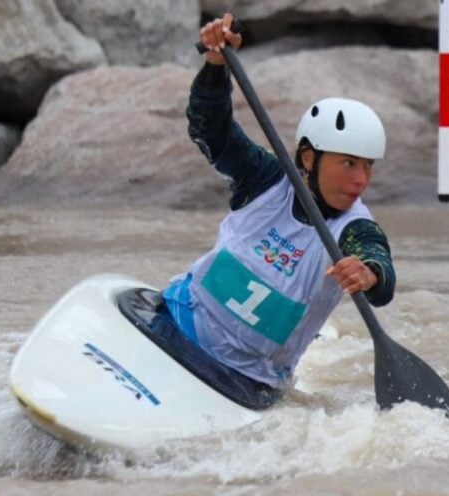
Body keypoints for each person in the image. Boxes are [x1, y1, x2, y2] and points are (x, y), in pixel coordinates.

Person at [157, 13, 396, 408]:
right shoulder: (265, 179)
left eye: (368, 166)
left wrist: (369, 273)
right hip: (178, 322)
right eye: (349, 163)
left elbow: (378, 265)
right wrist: (216, 68)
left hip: (247, 381)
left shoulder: (355, 229)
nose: (361, 180)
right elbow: (211, 129)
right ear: (308, 157)